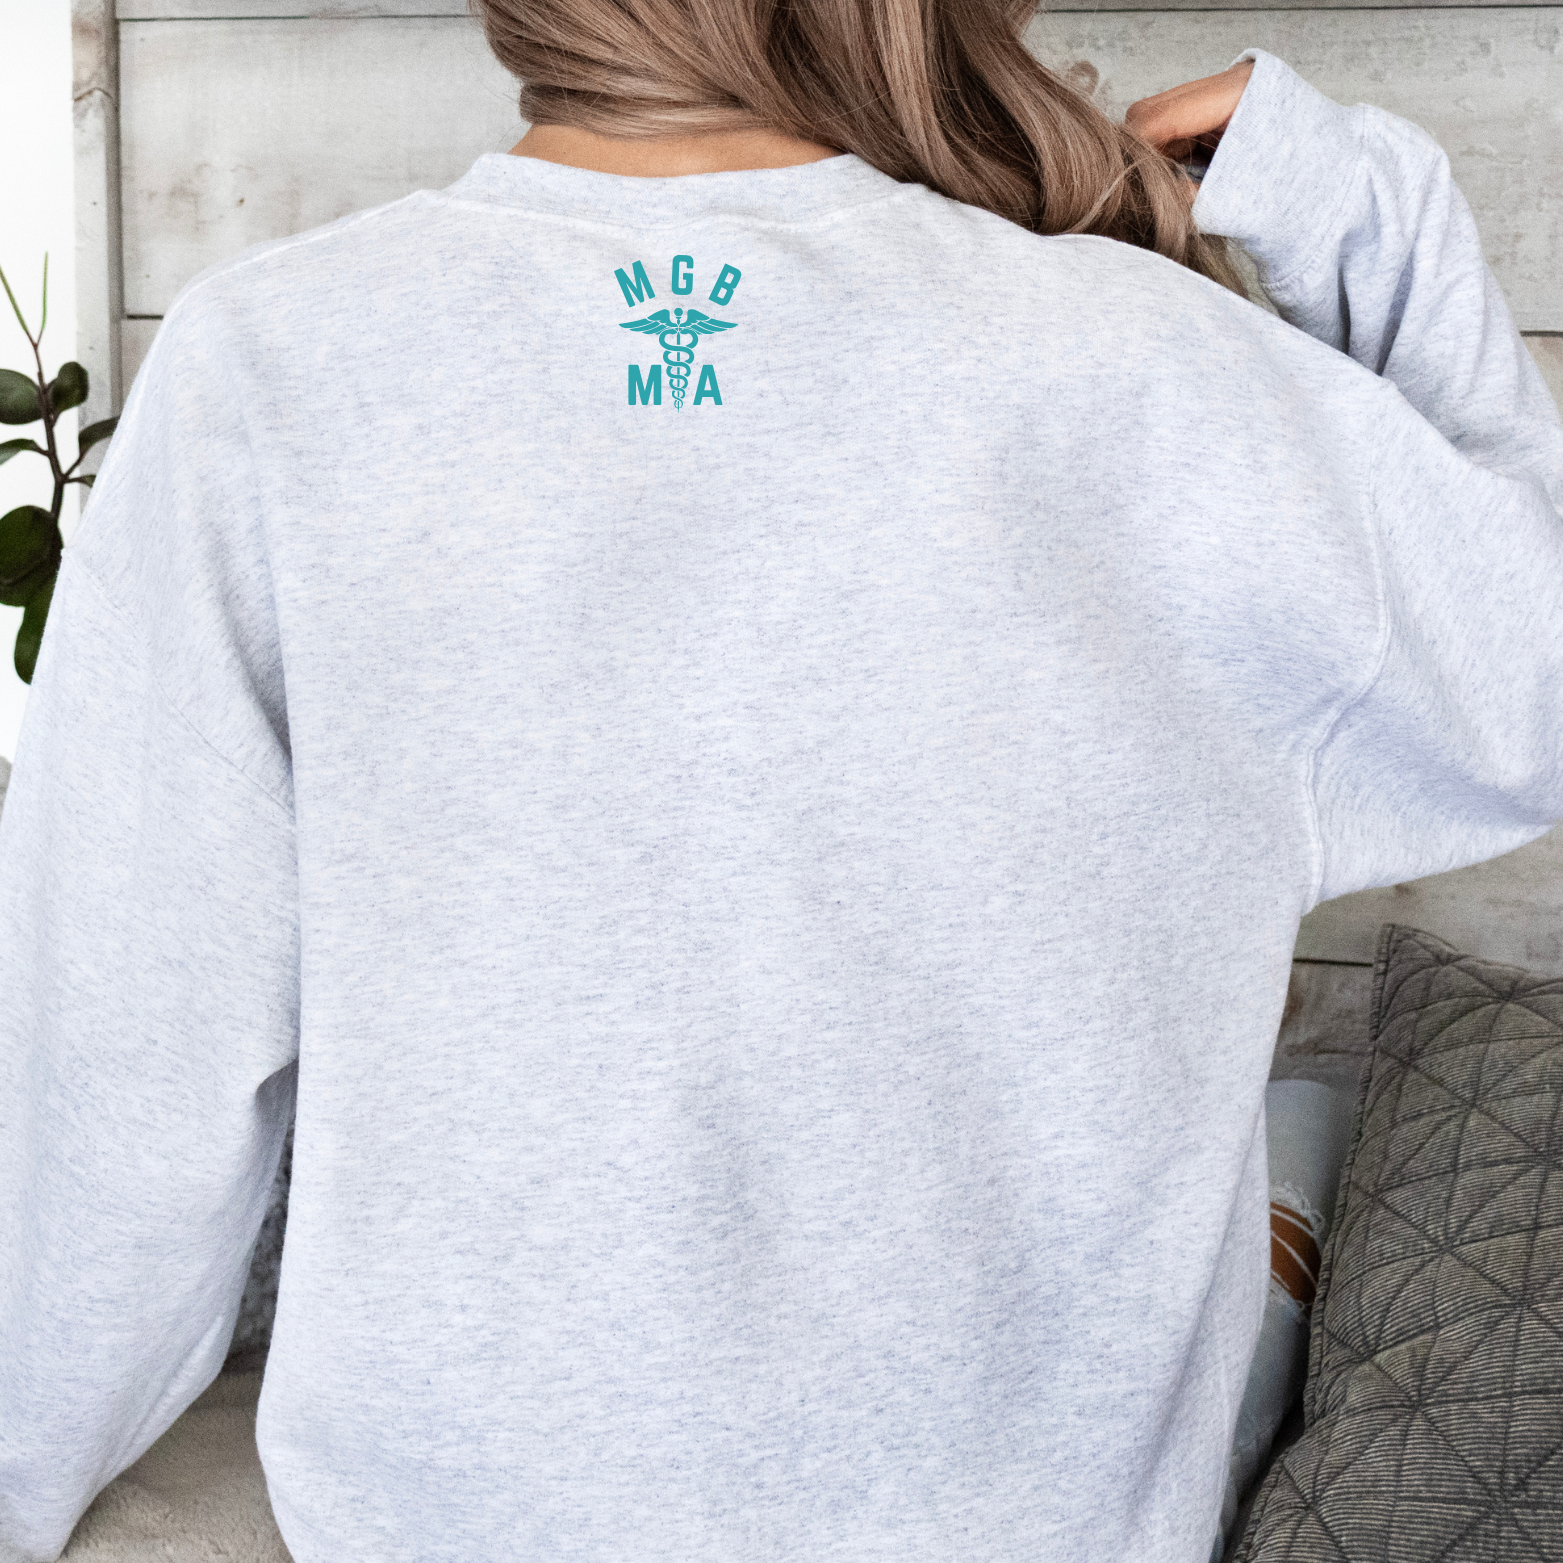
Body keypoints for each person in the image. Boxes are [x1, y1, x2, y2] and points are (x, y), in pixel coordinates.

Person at [1, 0, 1559, 1556]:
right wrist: (1357, 206)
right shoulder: (1151, 366)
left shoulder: (275, 365)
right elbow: (1528, 695)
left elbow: (115, 1078)